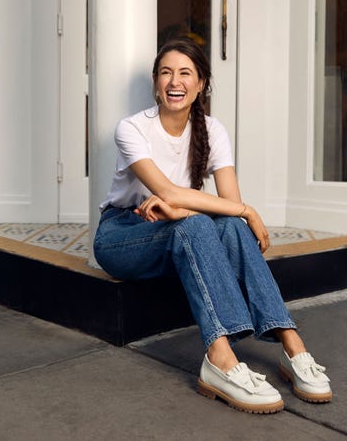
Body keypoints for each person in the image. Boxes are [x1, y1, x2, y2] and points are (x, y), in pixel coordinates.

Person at [93, 37, 332, 414]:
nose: (175, 81)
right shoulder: (132, 128)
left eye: (185, 73)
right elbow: (170, 191)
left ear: (201, 83)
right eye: (166, 72)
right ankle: (220, 359)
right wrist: (245, 210)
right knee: (204, 226)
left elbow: (228, 213)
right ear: (156, 82)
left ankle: (292, 345)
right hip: (123, 234)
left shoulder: (212, 130)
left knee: (230, 229)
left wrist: (194, 211)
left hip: (177, 226)